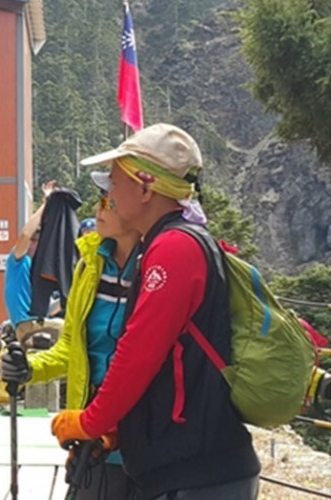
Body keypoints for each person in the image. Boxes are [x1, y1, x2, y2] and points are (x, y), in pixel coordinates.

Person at [48, 123, 261, 499]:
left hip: (197, 472)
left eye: (114, 183)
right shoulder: (171, 242)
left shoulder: (173, 249)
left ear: (145, 188)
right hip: (189, 466)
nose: (108, 195)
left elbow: (138, 354)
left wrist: (89, 421)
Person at [1, 171, 141, 499]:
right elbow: (71, 348)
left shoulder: (156, 267)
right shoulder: (89, 266)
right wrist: (30, 369)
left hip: (144, 445)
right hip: (91, 445)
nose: (98, 208)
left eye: (109, 199)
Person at [4, 180, 59, 343]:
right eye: (34, 240)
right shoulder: (17, 263)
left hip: (38, 322)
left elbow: (50, 309)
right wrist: (46, 204)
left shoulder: (39, 270)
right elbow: (26, 235)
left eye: (39, 241)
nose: (34, 244)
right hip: (27, 325)